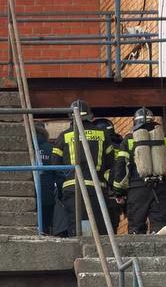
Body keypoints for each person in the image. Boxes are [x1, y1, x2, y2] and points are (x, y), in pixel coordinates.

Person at [48, 100, 123, 237]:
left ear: (71, 117)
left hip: (73, 189)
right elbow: (111, 163)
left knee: (77, 227)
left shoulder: (63, 136)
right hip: (97, 188)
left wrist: (61, 187)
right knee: (99, 227)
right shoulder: (102, 135)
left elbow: (55, 166)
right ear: (91, 116)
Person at [113, 108, 166, 234]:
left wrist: (118, 192)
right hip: (161, 188)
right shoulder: (165, 139)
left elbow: (121, 167)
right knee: (161, 227)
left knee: (136, 228)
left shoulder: (128, 140)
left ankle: (137, 253)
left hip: (137, 190)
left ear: (135, 123)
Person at [34, 122, 62, 235]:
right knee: (47, 225)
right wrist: (61, 193)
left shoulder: (26, 148)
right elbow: (59, 173)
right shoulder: (51, 148)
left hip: (30, 194)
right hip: (47, 195)